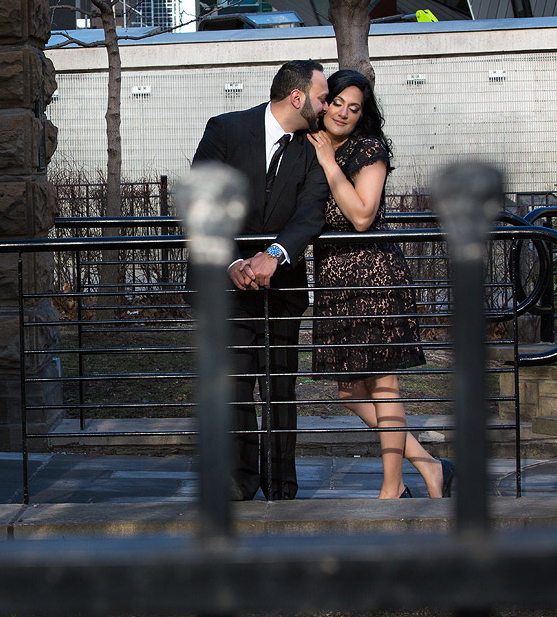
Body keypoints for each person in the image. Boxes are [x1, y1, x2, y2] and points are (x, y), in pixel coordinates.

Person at [307, 69, 453, 499]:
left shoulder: (368, 149)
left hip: (374, 277)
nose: (344, 113)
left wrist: (331, 166)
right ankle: (430, 464)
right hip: (335, 284)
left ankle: (393, 487)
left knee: (382, 384)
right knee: (350, 390)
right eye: (337, 103)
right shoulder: (313, 145)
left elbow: (361, 215)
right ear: (324, 102)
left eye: (355, 108)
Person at [192, 59, 330, 501]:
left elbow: (311, 212)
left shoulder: (315, 147)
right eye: (322, 97)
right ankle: (237, 483)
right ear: (297, 97)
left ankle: (281, 485)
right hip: (225, 289)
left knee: (280, 389)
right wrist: (232, 262)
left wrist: (274, 254)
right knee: (233, 389)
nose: (326, 106)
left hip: (282, 289)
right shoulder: (226, 130)